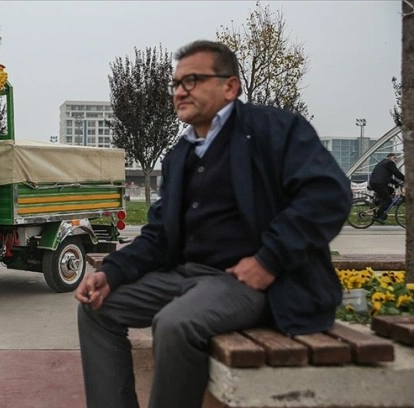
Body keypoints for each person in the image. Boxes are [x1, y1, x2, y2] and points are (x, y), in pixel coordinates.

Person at [75, 40, 352, 408]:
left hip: (249, 282)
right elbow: (159, 236)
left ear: (230, 87)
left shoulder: (273, 129)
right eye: (176, 84)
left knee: (175, 324)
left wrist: (269, 259)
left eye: (192, 80)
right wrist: (112, 272)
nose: (179, 91)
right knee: (96, 307)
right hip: (185, 277)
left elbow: (328, 195)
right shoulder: (179, 155)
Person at [368, 153, 404, 222]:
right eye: (394, 158)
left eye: (396, 158)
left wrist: (396, 183)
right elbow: (397, 173)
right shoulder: (389, 163)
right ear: (389, 157)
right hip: (379, 184)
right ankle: (377, 216)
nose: (396, 159)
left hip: (375, 183)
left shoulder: (382, 163)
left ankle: (378, 202)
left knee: (391, 190)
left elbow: (387, 178)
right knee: (388, 201)